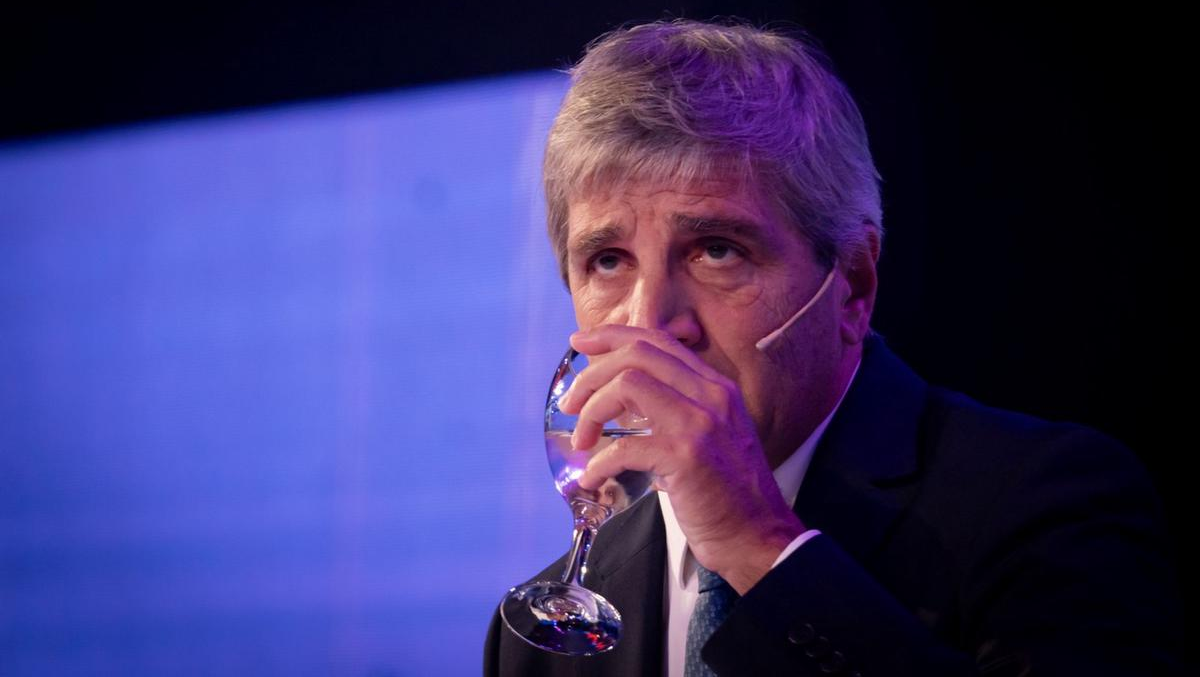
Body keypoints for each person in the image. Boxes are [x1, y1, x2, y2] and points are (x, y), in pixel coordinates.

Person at [484, 18, 1183, 676]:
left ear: (852, 284)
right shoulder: (544, 635)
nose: (652, 323)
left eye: (717, 250)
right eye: (607, 260)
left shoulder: (1047, 502)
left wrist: (760, 549)